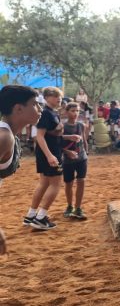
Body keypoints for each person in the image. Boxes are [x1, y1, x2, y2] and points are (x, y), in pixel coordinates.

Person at [25, 87, 82, 230]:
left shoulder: (51, 113)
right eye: (56, 96)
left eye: (60, 96)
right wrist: (50, 155)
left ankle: (31, 215)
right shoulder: (46, 113)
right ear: (47, 97)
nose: (59, 98)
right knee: (56, 184)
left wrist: (69, 137)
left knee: (44, 183)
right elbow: (40, 136)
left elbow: (53, 135)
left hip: (50, 152)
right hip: (50, 153)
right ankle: (40, 218)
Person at [0, 85, 42, 254]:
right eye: (35, 104)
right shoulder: (4, 137)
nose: (39, 109)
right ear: (18, 108)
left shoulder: (9, 134)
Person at [61, 102, 89, 220]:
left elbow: (84, 139)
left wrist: (86, 153)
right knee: (69, 183)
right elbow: (58, 142)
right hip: (67, 160)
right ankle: (69, 206)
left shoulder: (80, 125)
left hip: (81, 158)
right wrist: (67, 153)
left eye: (77, 111)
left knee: (81, 181)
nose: (76, 113)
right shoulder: (63, 126)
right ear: (67, 112)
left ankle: (78, 207)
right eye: (73, 111)